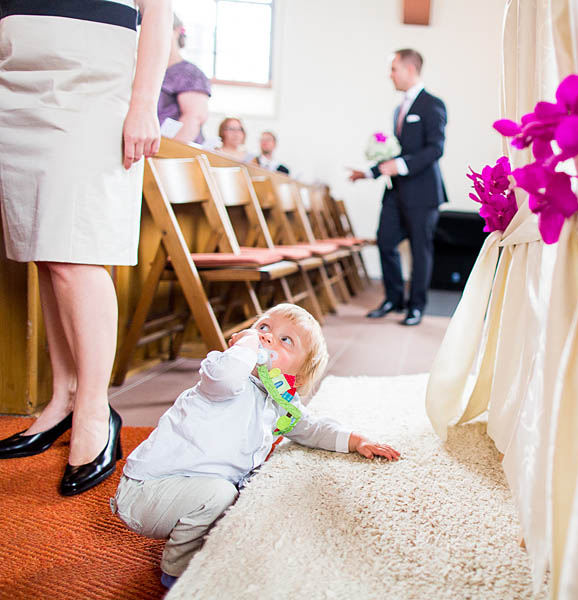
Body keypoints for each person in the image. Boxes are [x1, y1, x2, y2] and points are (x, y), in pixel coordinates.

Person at [0, 0, 171, 496]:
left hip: (90, 81)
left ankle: (96, 410)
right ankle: (64, 397)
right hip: (15, 79)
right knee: (47, 249)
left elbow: (156, 11)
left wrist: (143, 104)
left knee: (77, 249)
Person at [110, 303, 400, 588]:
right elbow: (227, 376)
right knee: (220, 494)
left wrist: (355, 440)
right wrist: (245, 347)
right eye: (263, 327)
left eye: (286, 340)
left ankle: (206, 541)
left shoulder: (279, 401)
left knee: (245, 494)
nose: (267, 337)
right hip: (147, 490)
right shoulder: (223, 376)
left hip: (186, 491)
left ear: (295, 377)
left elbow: (309, 428)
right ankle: (178, 570)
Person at [349, 48, 447, 327]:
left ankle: (416, 307)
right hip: (396, 192)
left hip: (424, 193)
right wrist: (368, 172)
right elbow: (395, 152)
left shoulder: (433, 104)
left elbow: (435, 149)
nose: (390, 74)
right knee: (385, 240)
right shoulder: (399, 109)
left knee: (420, 251)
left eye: (394, 68)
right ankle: (393, 298)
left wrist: (401, 165)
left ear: (409, 69)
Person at [157, 13, 210, 144]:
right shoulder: (151, 72)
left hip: (170, 154)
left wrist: (164, 151)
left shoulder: (189, 73)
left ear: (176, 30)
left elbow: (194, 118)